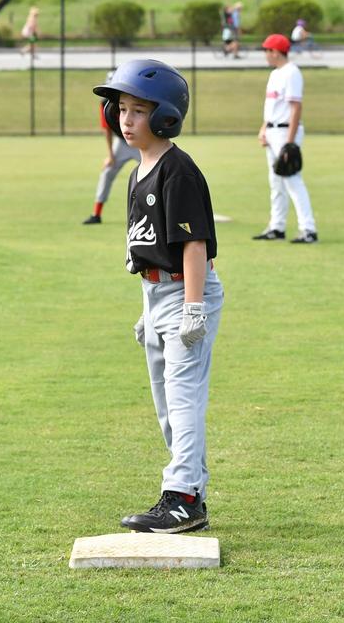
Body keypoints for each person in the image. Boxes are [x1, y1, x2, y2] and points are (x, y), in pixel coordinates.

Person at [93, 59, 222, 534]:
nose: (126, 120)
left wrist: (192, 307)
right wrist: (147, 309)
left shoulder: (177, 170)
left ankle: (182, 495)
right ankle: (193, 493)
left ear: (165, 116)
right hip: (157, 294)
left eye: (139, 110)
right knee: (168, 405)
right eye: (122, 109)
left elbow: (194, 245)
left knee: (183, 398)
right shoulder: (139, 170)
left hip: (186, 293)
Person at [253, 33, 318, 244]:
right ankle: (277, 227)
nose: (265, 54)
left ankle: (308, 229)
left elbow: (295, 107)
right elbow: (272, 107)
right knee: (276, 183)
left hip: (285, 132)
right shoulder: (275, 74)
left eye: (267, 50)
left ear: (276, 51)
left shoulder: (292, 73)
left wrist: (289, 142)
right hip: (272, 131)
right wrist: (264, 129)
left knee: (292, 181)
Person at [83, 70, 141, 224]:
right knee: (107, 172)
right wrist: (110, 155)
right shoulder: (105, 105)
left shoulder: (135, 98)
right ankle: (96, 214)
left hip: (141, 142)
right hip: (121, 143)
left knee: (158, 173)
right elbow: (107, 129)